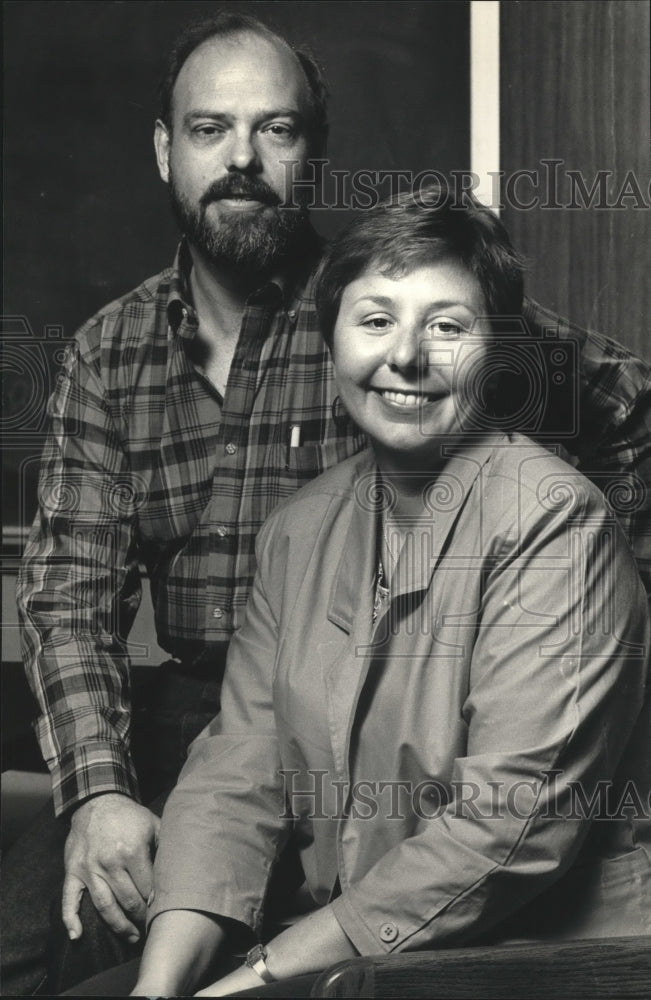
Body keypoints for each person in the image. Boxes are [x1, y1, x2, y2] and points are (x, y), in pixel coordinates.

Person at [5, 9, 650, 997]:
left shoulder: (392, 293)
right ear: (165, 148)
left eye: (278, 127)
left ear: (314, 150)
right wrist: (101, 790)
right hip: (226, 722)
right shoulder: (119, 361)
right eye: (211, 128)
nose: (243, 157)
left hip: (444, 763)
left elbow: (622, 399)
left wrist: (601, 612)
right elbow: (75, 593)